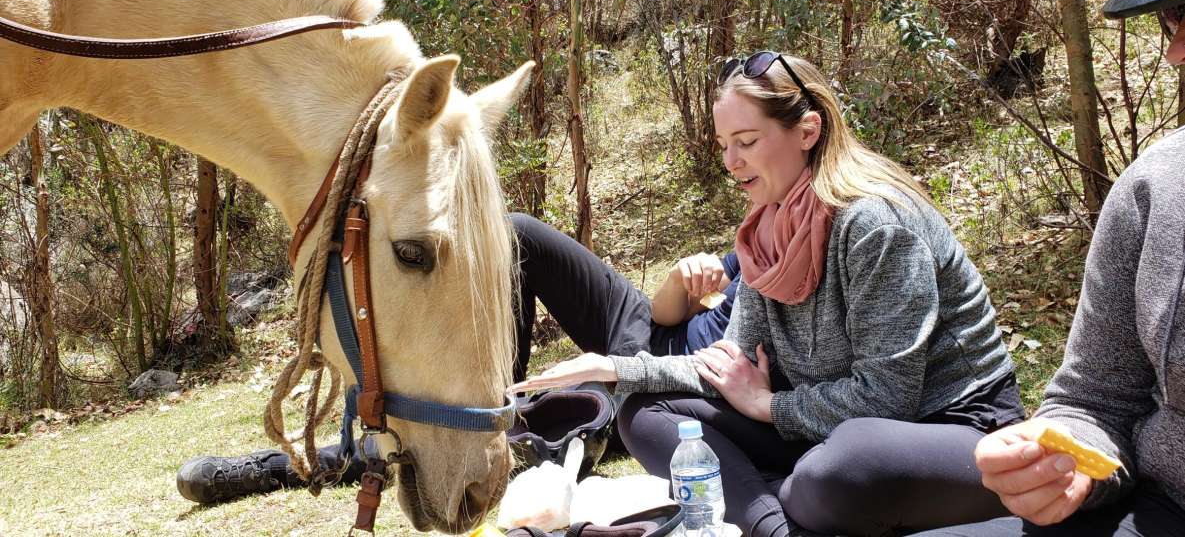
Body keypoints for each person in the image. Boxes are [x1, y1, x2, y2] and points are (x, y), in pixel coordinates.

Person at [510, 51, 1024, 537]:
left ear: (807, 130)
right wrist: (616, 369)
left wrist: (767, 405)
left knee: (838, 471)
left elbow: (888, 399)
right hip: (825, 426)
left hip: (950, 427)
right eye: (724, 145)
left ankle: (783, 501)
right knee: (645, 411)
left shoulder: (876, 225)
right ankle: (778, 527)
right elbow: (726, 363)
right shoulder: (768, 231)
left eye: (747, 141)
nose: (731, 162)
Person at [911, 0, 1185, 536]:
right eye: (1172, 18)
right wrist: (1065, 462)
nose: (1175, 51)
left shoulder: (876, 225)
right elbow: (1096, 398)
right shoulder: (1154, 188)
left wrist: (769, 403)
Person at [177, 213, 742, 504]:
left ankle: (274, 469)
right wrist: (678, 283)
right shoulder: (762, 231)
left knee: (556, 419)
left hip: (673, 384)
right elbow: (669, 315)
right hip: (645, 326)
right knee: (516, 237)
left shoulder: (824, 252)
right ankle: (498, 404)